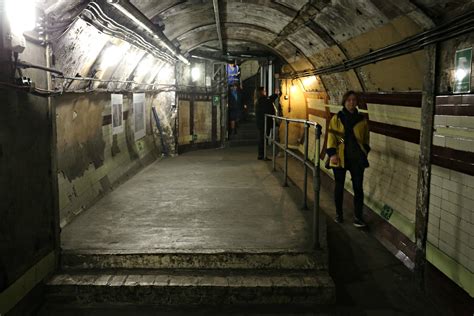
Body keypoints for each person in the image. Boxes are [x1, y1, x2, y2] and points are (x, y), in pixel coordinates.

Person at [326, 91, 370, 228]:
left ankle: (358, 217)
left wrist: (365, 152)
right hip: (340, 157)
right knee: (339, 187)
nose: (351, 102)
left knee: (358, 189)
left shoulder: (362, 120)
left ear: (357, 102)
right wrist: (332, 153)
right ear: (344, 102)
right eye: (349, 100)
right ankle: (339, 214)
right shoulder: (337, 118)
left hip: (357, 159)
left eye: (354, 100)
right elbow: (331, 137)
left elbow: (366, 139)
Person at [255, 87, 274, 160]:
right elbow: (268, 104)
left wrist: (275, 94)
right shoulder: (263, 100)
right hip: (265, 123)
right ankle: (262, 155)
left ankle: (261, 155)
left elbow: (269, 100)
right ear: (261, 92)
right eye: (264, 91)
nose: (265, 92)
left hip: (261, 123)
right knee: (263, 139)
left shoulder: (259, 100)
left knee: (262, 139)